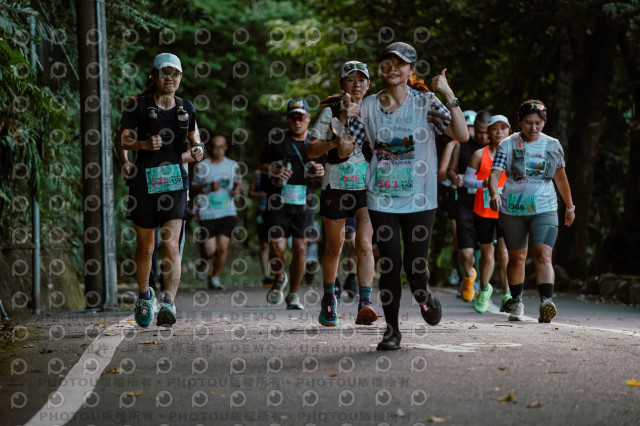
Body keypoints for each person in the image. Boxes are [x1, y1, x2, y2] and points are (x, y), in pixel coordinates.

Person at [356, 42, 469, 350]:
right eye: (387, 62)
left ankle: (423, 294)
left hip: (421, 198)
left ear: (411, 70)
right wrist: (344, 116)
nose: (393, 68)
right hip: (381, 196)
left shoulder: (426, 101)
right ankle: (392, 330)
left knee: (415, 266)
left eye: (400, 63)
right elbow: (346, 146)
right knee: (390, 263)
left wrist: (447, 92)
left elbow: (461, 134)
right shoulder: (367, 106)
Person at [115, 53, 204, 327]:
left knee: (170, 244)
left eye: (175, 74)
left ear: (180, 77)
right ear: (154, 76)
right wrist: (142, 146)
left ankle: (168, 303)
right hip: (144, 182)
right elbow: (122, 140)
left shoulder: (186, 107)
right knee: (146, 247)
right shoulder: (138, 106)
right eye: (165, 73)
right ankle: (144, 297)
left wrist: (198, 150)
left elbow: (195, 140)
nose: (170, 78)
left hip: (174, 182)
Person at [488, 100, 575, 322]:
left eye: (538, 123)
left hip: (544, 207)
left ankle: (546, 302)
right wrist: (494, 193)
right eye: (528, 123)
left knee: (543, 254)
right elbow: (495, 174)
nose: (533, 128)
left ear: (544, 122)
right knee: (517, 257)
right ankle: (517, 301)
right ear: (519, 121)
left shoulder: (553, 145)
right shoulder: (507, 144)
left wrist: (570, 207)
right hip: (512, 209)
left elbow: (560, 178)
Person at [307, 60, 377, 327]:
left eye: (362, 79)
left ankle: (365, 303)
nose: (357, 84)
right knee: (334, 247)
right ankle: (329, 299)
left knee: (364, 244)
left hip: (366, 188)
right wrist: (337, 138)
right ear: (342, 84)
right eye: (351, 79)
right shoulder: (331, 112)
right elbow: (312, 150)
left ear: (368, 84)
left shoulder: (375, 111)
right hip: (335, 186)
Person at [259, 99, 325, 309]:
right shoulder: (277, 139)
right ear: (289, 119)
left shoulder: (316, 143)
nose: (297, 121)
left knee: (300, 248)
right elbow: (261, 164)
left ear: (308, 118)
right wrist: (274, 170)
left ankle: (293, 295)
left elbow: (324, 175)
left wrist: (320, 172)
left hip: (304, 201)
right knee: (276, 246)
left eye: (301, 117)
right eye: (293, 117)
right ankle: (279, 275)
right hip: (278, 201)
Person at [463, 114, 511, 313]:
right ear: (488, 131)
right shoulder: (479, 155)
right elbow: (466, 181)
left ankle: (508, 294)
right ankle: (483, 290)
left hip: (506, 210)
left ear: (509, 131)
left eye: (503, 128)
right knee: (486, 254)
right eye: (494, 128)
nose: (499, 132)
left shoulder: (514, 154)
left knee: (505, 253)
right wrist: (483, 184)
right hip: (483, 210)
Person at [448, 110, 491, 301]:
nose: (482, 136)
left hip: (487, 207)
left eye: (486, 132)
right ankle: (469, 274)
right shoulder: (462, 145)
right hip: (465, 206)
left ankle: (483, 286)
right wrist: (455, 177)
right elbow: (450, 170)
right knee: (465, 253)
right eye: (479, 131)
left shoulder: (498, 149)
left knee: (486, 251)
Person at [191, 134, 243, 290]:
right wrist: (208, 187)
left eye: (221, 146)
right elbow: (194, 186)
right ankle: (204, 261)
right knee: (210, 249)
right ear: (210, 147)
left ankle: (214, 277)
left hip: (227, 212)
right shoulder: (202, 166)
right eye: (215, 146)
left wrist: (237, 190)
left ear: (225, 148)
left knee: (222, 247)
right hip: (207, 212)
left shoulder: (232, 165)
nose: (218, 149)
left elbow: (238, 183)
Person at [437, 110, 477, 288]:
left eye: (472, 128)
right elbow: (441, 174)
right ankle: (464, 278)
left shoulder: (484, 145)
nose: (469, 131)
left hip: (477, 198)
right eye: (467, 127)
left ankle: (476, 279)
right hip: (456, 197)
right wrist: (455, 177)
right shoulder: (454, 144)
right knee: (459, 241)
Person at [248, 170, 271, 287]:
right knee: (265, 245)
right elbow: (250, 193)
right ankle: (267, 276)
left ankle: (277, 275)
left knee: (277, 245)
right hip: (262, 213)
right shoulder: (258, 174)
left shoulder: (284, 169)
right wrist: (259, 195)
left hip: (279, 213)